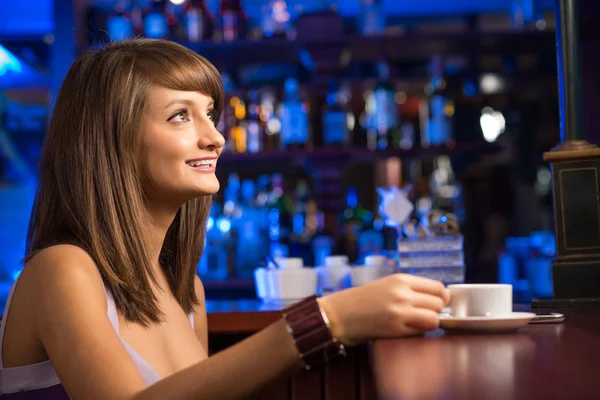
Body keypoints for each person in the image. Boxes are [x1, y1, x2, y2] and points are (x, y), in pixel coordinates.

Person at [0, 39, 450, 399]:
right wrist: (327, 321)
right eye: (181, 116)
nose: (215, 138)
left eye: (210, 115)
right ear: (110, 142)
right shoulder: (62, 269)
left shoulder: (185, 289)